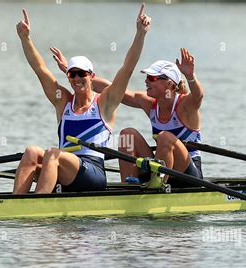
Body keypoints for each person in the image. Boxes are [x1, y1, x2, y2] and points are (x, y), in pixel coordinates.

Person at [13, 5, 151, 194]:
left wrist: (140, 34)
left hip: (92, 173)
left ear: (91, 75)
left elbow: (127, 68)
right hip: (64, 168)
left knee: (53, 154)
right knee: (31, 152)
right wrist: (25, 39)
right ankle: (16, 204)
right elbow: (41, 70)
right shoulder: (63, 102)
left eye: (81, 74)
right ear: (68, 76)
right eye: (72, 74)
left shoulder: (105, 103)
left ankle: (39, 209)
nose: (77, 78)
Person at [51, 47, 204, 187]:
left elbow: (198, 96)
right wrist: (73, 73)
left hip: (188, 173)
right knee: (127, 134)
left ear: (169, 84)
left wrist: (191, 77)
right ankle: (128, 186)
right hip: (163, 166)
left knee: (164, 137)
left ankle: (157, 184)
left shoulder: (185, 105)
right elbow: (114, 88)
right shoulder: (148, 103)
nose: (146, 81)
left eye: (152, 78)